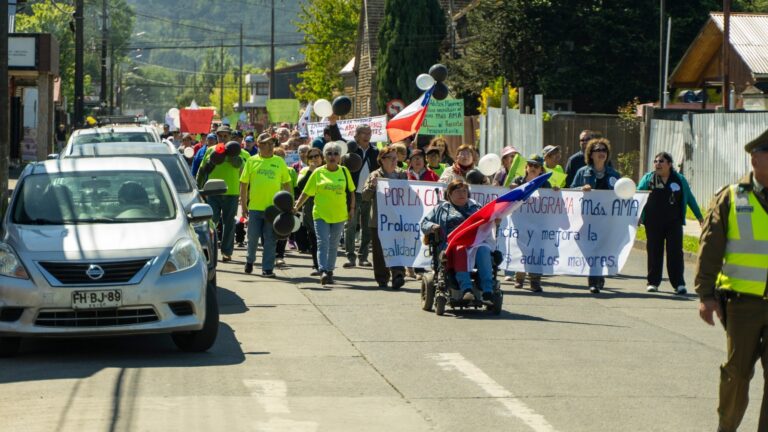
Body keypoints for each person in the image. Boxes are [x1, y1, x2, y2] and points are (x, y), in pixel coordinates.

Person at [695, 129, 768, 432]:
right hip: (743, 304)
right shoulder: (732, 197)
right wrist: (706, 295)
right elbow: (710, 247)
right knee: (737, 374)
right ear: (755, 158)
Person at [638, 151, 703, 294]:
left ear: (669, 164)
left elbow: (690, 198)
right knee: (654, 251)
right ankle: (653, 282)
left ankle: (679, 283)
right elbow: (638, 196)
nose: (657, 164)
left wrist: (699, 217)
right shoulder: (649, 179)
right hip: (653, 222)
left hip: (674, 222)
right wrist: (636, 216)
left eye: (661, 161)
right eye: (656, 161)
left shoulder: (679, 180)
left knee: (675, 252)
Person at [421, 180, 495, 301]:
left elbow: (488, 221)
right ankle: (467, 289)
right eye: (458, 191)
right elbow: (424, 223)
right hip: (452, 245)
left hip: (475, 243)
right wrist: (432, 227)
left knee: (484, 249)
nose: (462, 193)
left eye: (464, 191)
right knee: (459, 249)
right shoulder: (441, 208)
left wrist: (495, 221)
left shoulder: (476, 207)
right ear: (449, 194)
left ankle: (487, 290)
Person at [293, 142, 355, 285]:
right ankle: (323, 271)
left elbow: (351, 191)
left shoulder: (344, 171)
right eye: (329, 153)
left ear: (340, 156)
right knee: (322, 243)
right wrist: (296, 206)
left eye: (335, 153)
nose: (332, 156)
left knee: (333, 244)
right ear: (324, 156)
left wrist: (351, 209)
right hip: (320, 214)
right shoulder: (318, 172)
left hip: (339, 214)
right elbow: (306, 192)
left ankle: (330, 270)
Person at [570, 137, 621, 294]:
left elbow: (622, 195)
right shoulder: (582, 172)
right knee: (592, 250)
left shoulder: (614, 174)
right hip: (587, 219)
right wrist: (581, 188)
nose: (601, 153)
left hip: (606, 220)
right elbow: (570, 191)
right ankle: (594, 280)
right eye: (598, 150)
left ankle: (598, 276)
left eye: (604, 150)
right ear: (590, 154)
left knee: (603, 250)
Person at [239, 132, 293, 278]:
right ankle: (250, 261)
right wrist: (244, 205)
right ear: (259, 145)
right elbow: (244, 184)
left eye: (271, 143)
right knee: (252, 237)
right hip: (255, 207)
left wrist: (289, 205)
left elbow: (286, 184)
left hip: (273, 209)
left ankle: (267, 268)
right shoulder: (251, 161)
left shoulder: (279, 162)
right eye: (266, 144)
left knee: (270, 239)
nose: (270, 146)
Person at [196, 140, 250, 262]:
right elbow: (202, 169)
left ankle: (226, 252)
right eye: (220, 135)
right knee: (210, 222)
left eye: (226, 135)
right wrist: (198, 188)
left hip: (232, 193)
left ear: (230, 137)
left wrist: (232, 156)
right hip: (212, 191)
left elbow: (244, 170)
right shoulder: (211, 150)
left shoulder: (240, 152)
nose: (223, 137)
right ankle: (207, 250)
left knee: (229, 224)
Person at [362, 147, 408, 289]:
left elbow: (409, 195)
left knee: (397, 247)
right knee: (379, 251)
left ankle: (398, 274)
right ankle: (382, 278)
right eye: (392, 158)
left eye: (396, 158)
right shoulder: (374, 175)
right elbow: (364, 197)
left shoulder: (401, 175)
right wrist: (372, 186)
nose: (395, 161)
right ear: (382, 160)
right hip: (379, 220)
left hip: (397, 219)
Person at [507, 155, 555, 291]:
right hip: (520, 221)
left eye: (537, 166)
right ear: (526, 167)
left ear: (541, 170)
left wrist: (555, 192)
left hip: (538, 223)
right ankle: (519, 278)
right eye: (531, 165)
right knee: (521, 249)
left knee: (536, 250)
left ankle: (535, 281)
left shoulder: (545, 184)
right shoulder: (518, 181)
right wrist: (512, 188)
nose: (533, 168)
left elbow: (551, 201)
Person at [344, 125, 379, 269]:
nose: (367, 136)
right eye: (363, 133)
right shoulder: (350, 150)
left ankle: (363, 257)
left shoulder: (375, 151)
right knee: (350, 225)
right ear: (356, 135)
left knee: (367, 226)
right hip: (352, 194)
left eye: (369, 133)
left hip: (369, 193)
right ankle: (350, 257)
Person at [295, 147, 324, 274]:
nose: (314, 159)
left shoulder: (328, 170)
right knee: (313, 238)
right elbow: (301, 187)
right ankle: (317, 265)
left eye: (316, 156)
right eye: (311, 157)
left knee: (325, 239)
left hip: (327, 207)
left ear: (321, 157)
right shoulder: (305, 170)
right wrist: (310, 172)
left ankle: (326, 265)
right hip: (310, 207)